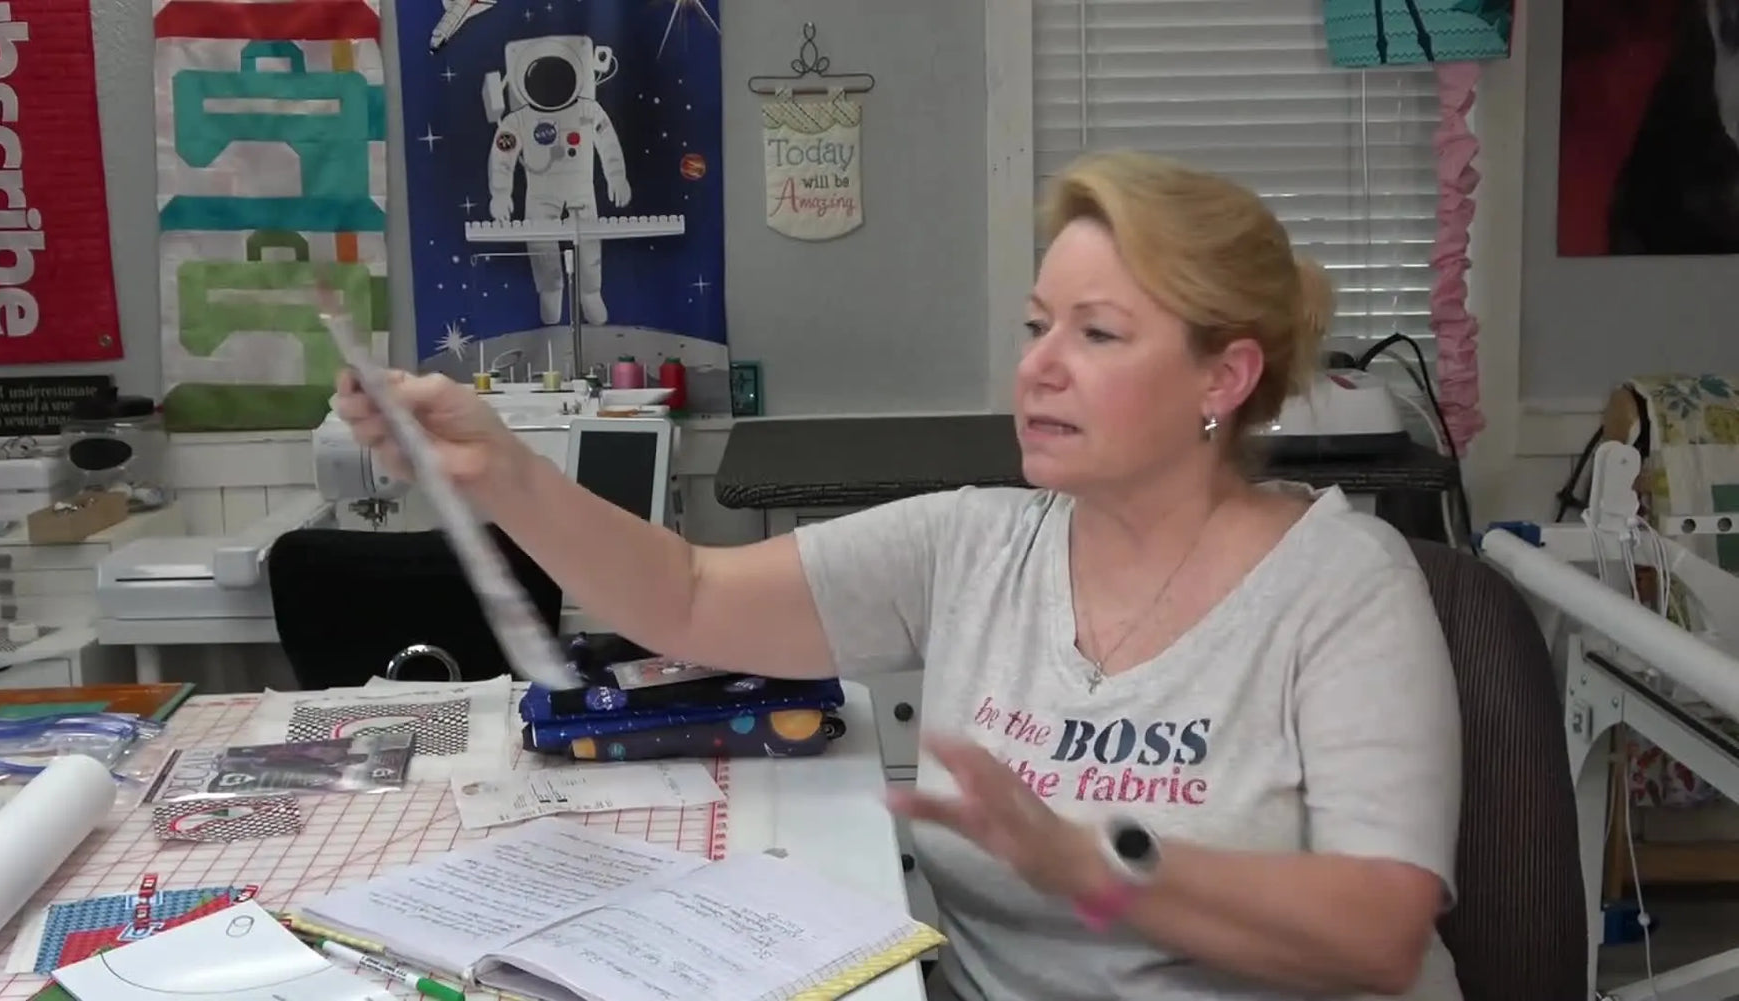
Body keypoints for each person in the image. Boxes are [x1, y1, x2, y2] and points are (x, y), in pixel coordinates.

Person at [333, 150, 1464, 1001]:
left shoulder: (1341, 583)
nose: (1038, 366)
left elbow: (1379, 930)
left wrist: (1094, 866)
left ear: (1224, 375)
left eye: (1098, 334)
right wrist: (504, 470)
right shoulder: (974, 545)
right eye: (1036, 326)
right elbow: (687, 597)